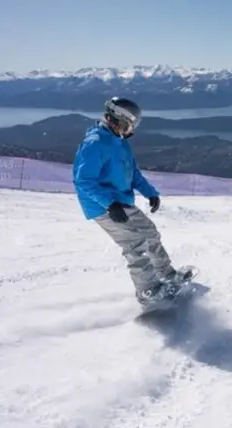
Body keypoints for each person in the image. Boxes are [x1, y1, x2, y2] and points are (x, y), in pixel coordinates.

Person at [71, 96, 190, 306]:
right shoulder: (95, 143)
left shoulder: (120, 142)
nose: (132, 129)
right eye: (131, 124)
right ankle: (148, 290)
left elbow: (132, 173)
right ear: (119, 120)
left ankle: (167, 275)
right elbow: (84, 181)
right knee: (134, 243)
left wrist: (150, 192)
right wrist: (109, 204)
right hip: (102, 205)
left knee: (150, 233)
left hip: (120, 200)